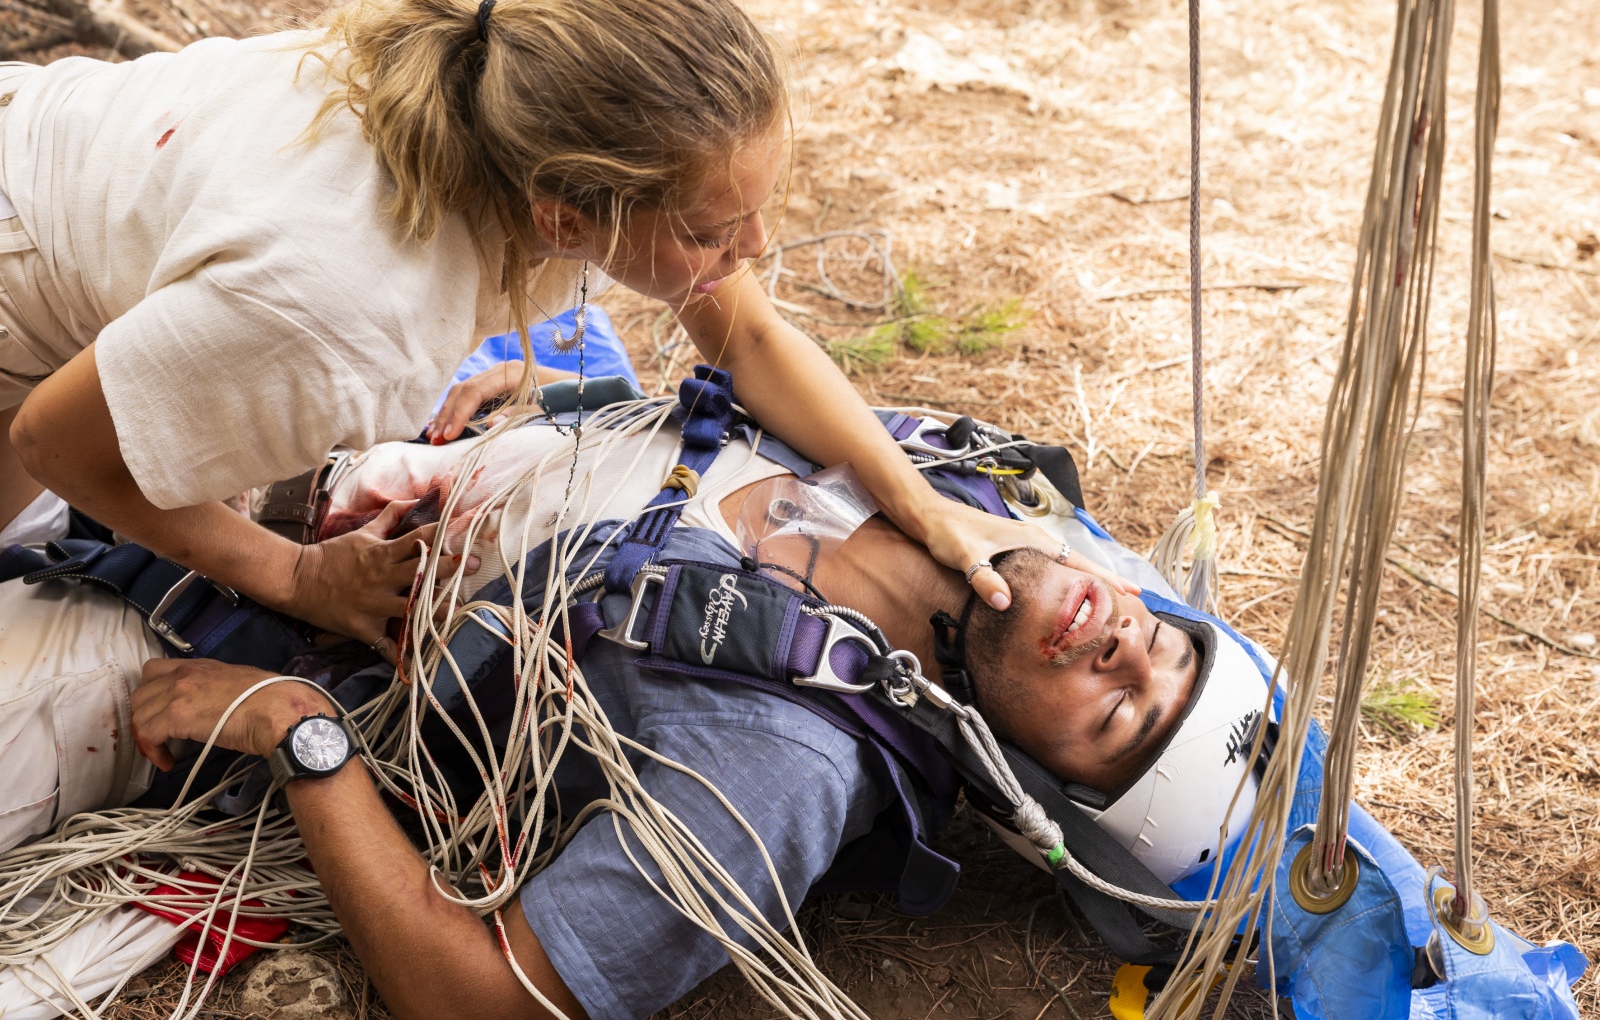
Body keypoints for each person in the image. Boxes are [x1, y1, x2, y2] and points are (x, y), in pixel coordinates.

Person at [0, 0, 1097, 663]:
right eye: (716, 232)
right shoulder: (351, 313)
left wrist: (917, 503)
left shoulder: (507, 99)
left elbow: (748, 330)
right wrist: (296, 574)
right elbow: (53, 436)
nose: (753, 250)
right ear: (564, 218)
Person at [0, 405, 1201, 1020]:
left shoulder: (778, 771)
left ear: (1025, 779)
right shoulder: (951, 469)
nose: (1119, 647)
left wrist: (298, 727)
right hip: (288, 462)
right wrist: (470, 445)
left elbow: (477, 997)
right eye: (1160, 643)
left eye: (1111, 715)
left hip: (161, 638)